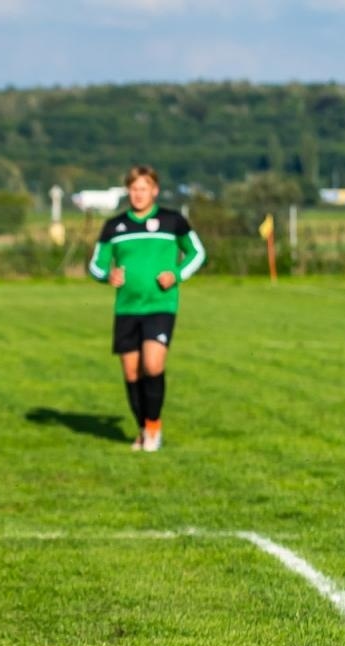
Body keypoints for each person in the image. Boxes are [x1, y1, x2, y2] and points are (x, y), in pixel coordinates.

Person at [87, 165, 206, 452]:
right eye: (134, 189)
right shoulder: (114, 226)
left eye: (144, 188)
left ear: (155, 190)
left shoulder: (172, 221)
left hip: (160, 305)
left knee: (152, 365)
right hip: (127, 308)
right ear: (128, 191)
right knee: (132, 373)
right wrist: (108, 275)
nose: (138, 194)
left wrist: (176, 274)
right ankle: (142, 428)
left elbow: (197, 252)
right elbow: (96, 265)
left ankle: (153, 427)